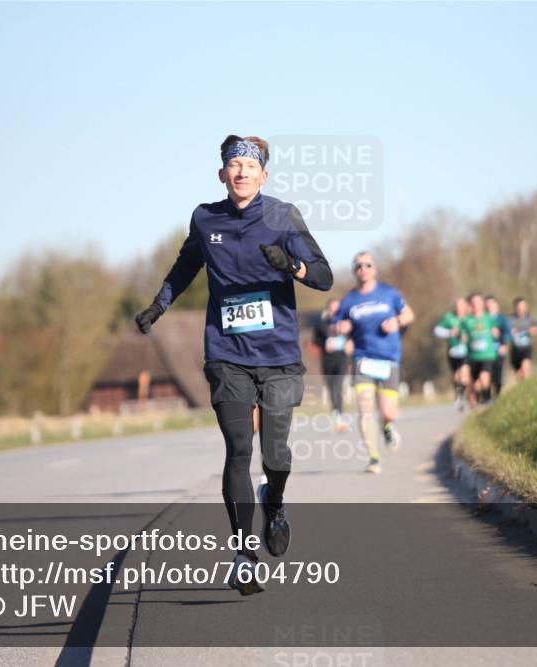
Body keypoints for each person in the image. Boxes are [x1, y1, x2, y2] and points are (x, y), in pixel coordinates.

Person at [134, 135, 332, 595]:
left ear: (264, 175)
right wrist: (158, 306)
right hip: (227, 355)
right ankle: (243, 553)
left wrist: (292, 266)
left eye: (250, 165)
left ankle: (275, 503)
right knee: (239, 448)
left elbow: (324, 276)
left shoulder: (283, 215)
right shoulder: (206, 219)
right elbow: (185, 267)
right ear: (222, 174)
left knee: (276, 455)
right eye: (233, 165)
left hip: (280, 356)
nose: (241, 171)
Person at [333, 251, 415, 474]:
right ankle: (373, 458)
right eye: (358, 265)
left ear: (375, 269)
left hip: (389, 359)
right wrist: (342, 328)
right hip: (363, 359)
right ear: (354, 270)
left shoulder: (389, 294)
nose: (363, 269)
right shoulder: (349, 299)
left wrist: (397, 321)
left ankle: (388, 426)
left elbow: (409, 315)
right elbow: (337, 324)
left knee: (389, 412)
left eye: (367, 265)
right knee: (365, 411)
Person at [312, 298, 353, 431]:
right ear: (328, 309)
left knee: (338, 385)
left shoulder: (347, 323)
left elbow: (356, 336)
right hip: (327, 359)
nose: (335, 311)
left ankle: (339, 414)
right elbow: (315, 340)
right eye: (332, 308)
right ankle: (335, 412)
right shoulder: (321, 323)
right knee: (331, 387)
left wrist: (350, 344)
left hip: (342, 358)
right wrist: (324, 344)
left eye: (337, 308)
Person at [458, 293, 498, 408]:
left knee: (484, 378)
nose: (476, 304)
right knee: (472, 387)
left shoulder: (489, 318)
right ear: (471, 305)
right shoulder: (467, 321)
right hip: (472, 356)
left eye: (478, 302)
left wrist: (496, 333)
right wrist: (462, 336)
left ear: (482, 304)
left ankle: (487, 399)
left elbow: (497, 329)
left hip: (487, 355)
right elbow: (460, 333)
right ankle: (473, 410)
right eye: (473, 302)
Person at [433, 296, 470, 411]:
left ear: (466, 306)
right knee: (457, 376)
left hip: (467, 351)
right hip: (453, 350)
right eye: (457, 305)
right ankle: (459, 396)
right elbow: (437, 331)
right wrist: (449, 333)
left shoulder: (469, 318)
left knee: (464, 375)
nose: (459, 308)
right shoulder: (449, 318)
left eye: (461, 305)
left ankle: (460, 396)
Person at [507, 297, 537, 382]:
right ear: (515, 307)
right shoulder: (510, 319)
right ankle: (523, 389)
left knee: (526, 367)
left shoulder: (530, 318)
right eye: (519, 306)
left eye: (523, 306)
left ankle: (529, 387)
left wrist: (536, 329)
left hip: (526, 348)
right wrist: (510, 332)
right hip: (515, 350)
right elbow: (503, 331)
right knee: (519, 374)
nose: (522, 309)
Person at [485, 296, 511, 397]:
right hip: (486, 352)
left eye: (491, 305)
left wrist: (503, 344)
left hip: (498, 350)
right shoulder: (483, 318)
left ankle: (498, 393)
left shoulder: (502, 319)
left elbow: (508, 334)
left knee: (498, 375)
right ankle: (487, 398)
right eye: (487, 305)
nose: (489, 307)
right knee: (487, 374)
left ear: (497, 306)